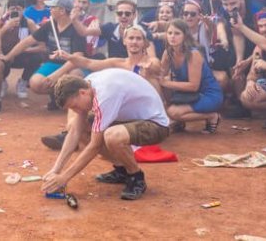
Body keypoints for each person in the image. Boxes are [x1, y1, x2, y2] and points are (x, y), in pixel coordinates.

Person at [42, 69, 171, 201]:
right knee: (81, 126)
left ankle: (135, 176)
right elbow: (75, 131)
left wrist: (64, 178)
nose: (76, 111)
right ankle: (122, 170)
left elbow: (95, 145)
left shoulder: (105, 95)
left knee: (112, 136)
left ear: (82, 92)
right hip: (131, 119)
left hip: (156, 124)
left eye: (75, 106)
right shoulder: (87, 84)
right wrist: (56, 170)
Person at [158, 19, 223, 133]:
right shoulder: (168, 53)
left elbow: (193, 86)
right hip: (189, 94)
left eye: (177, 33)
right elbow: (160, 75)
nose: (172, 37)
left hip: (208, 95)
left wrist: (165, 82)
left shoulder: (194, 54)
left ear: (185, 36)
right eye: (170, 33)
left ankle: (212, 116)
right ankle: (179, 120)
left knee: (173, 112)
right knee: (161, 83)